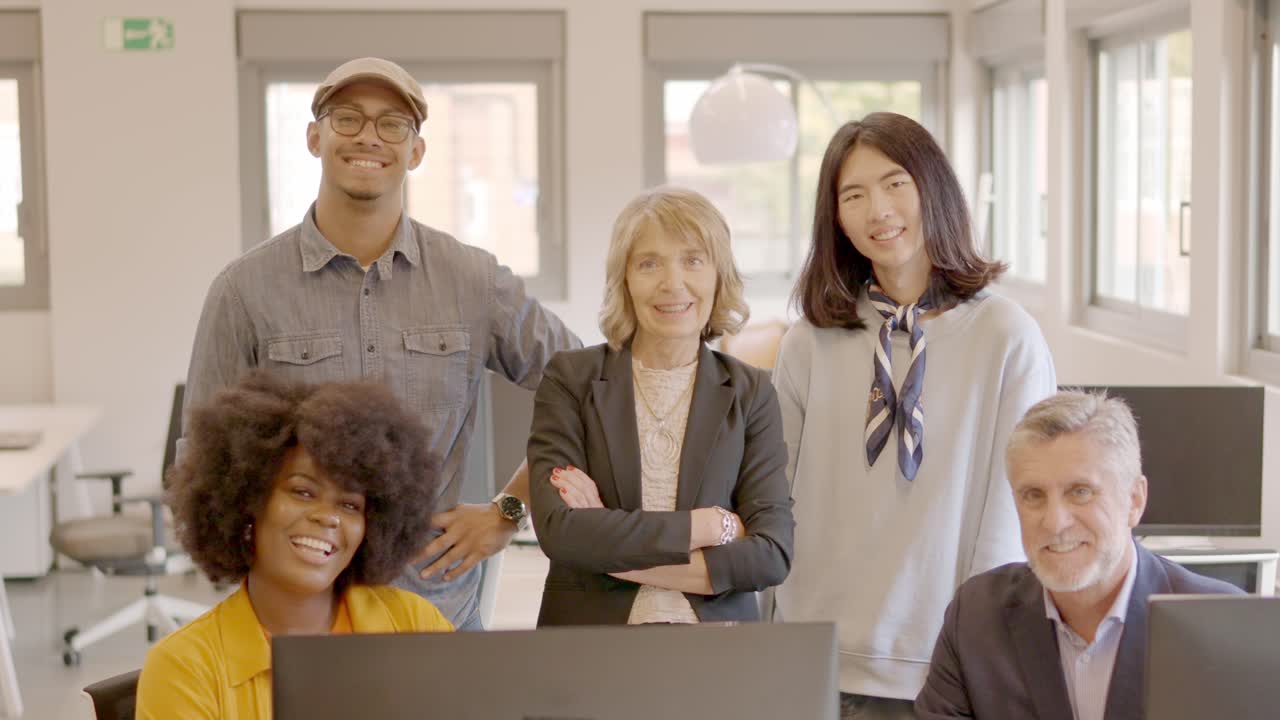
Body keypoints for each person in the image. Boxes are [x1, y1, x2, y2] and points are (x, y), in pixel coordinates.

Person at [183, 57, 580, 628]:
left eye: (392, 123)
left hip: (433, 609)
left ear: (416, 151)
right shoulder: (244, 291)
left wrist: (509, 510)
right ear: (315, 137)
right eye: (347, 119)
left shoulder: (473, 281)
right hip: (296, 615)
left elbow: (590, 389)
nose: (368, 136)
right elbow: (199, 462)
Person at [771, 112, 1058, 718]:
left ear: (934, 188)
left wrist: (982, 649)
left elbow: (1015, 511)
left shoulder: (1007, 337)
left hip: (944, 664)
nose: (878, 209)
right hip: (816, 656)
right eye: (854, 194)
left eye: (895, 182)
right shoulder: (810, 342)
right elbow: (775, 501)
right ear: (836, 219)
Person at [527, 186, 794, 625]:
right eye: (649, 263)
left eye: (693, 260)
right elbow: (560, 531)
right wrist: (712, 527)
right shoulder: (571, 380)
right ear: (625, 280)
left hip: (716, 652)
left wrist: (607, 545)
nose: (673, 283)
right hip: (589, 652)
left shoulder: (751, 393)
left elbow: (770, 555)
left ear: (718, 276)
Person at [136, 372, 452, 719]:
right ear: (246, 500)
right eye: (303, 492)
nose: (327, 517)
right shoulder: (185, 667)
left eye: (349, 505)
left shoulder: (412, 623)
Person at [915, 390, 1243, 720]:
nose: (1055, 522)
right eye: (1033, 495)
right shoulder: (976, 616)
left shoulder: (1222, 625)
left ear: (1134, 500)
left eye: (1080, 492)